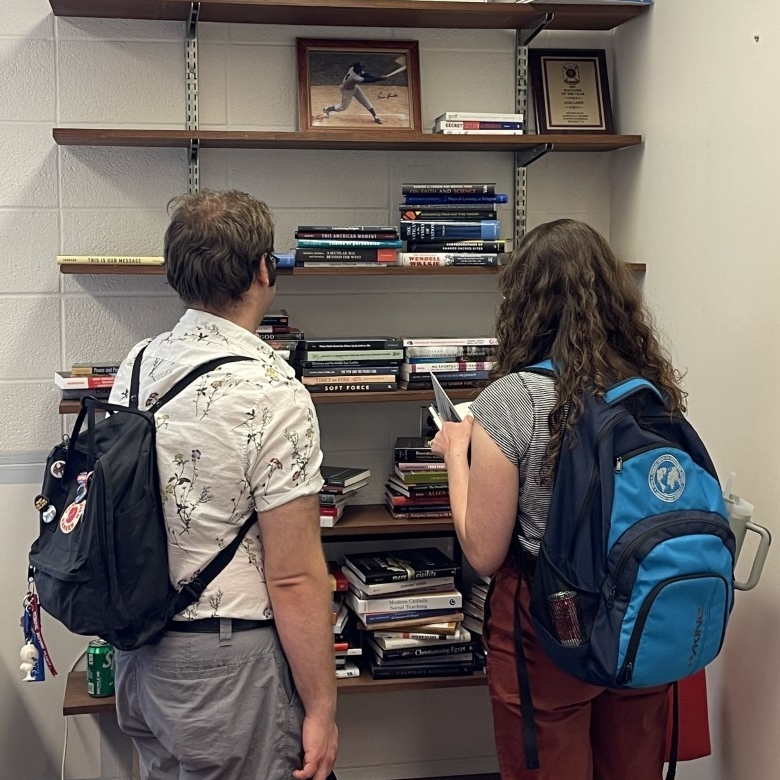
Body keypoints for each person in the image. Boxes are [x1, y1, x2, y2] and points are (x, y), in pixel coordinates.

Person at [431, 219, 682, 780]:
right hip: (640, 612)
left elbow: (485, 552)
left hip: (550, 619)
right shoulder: (649, 389)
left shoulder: (511, 399)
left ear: (524, 303)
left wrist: (454, 454)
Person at [110, 190, 338, 780]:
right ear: (265, 269)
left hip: (140, 656)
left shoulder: (137, 364)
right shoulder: (272, 388)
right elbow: (292, 575)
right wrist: (321, 707)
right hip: (225, 670)